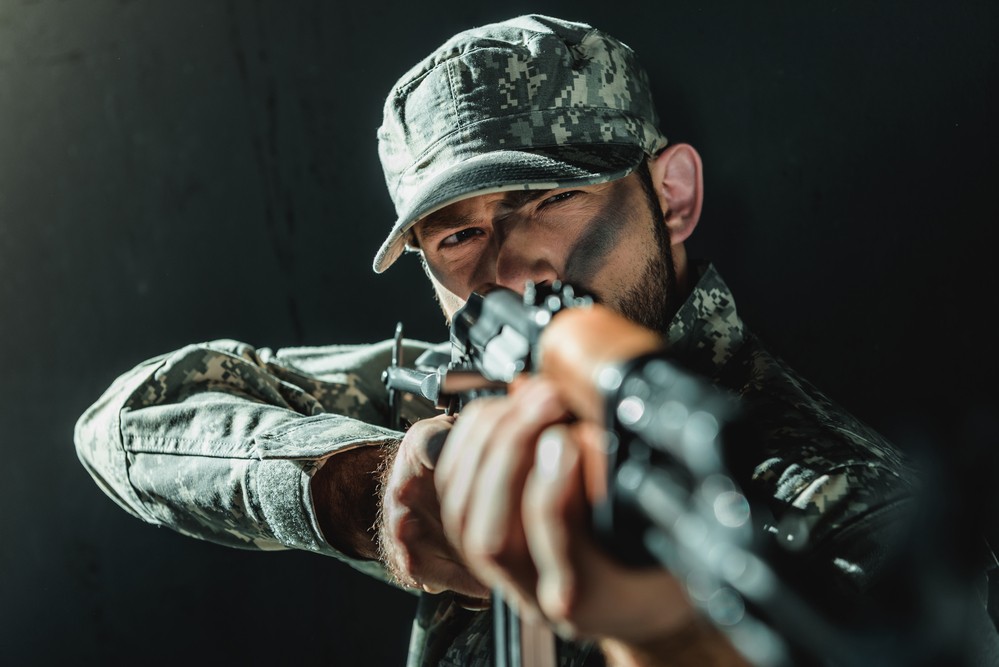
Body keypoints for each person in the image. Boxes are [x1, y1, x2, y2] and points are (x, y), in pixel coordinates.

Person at [74, 14, 997, 667]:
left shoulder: (844, 515)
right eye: (457, 235)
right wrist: (371, 489)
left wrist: (668, 637)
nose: (512, 271)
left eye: (551, 198)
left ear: (669, 196)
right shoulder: (459, 384)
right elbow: (127, 419)